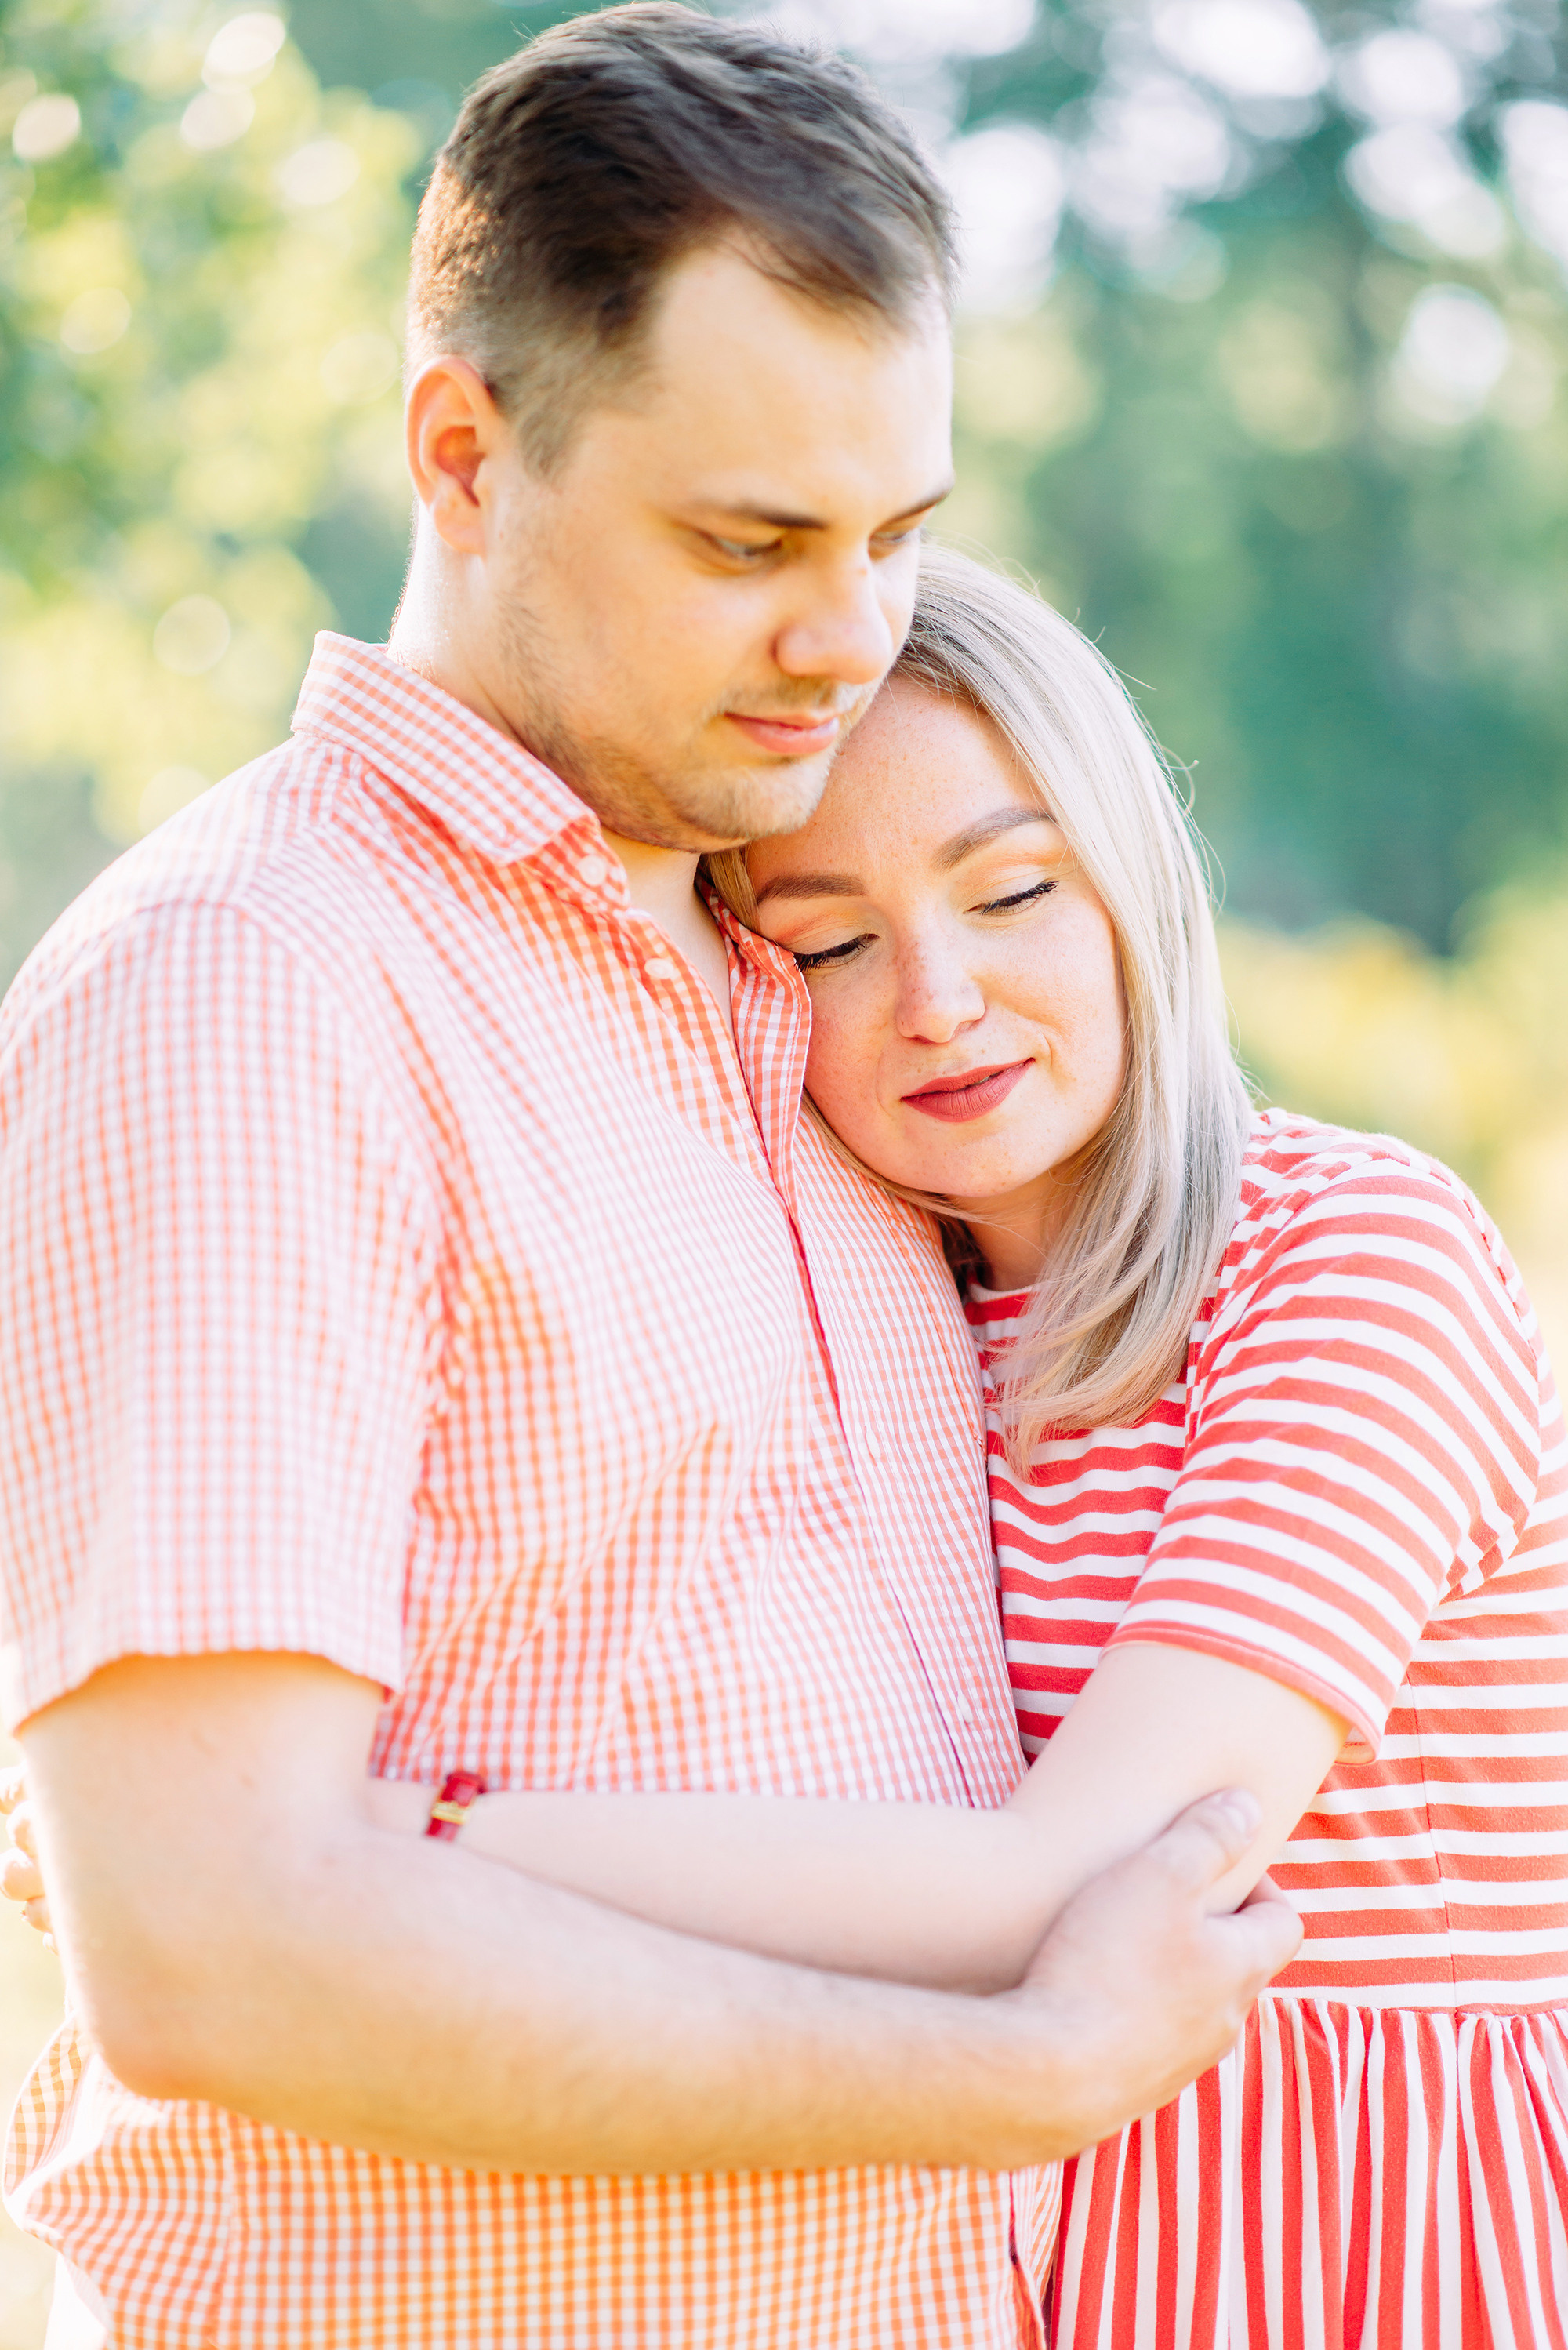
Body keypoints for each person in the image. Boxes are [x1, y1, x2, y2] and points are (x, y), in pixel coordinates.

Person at [0, 11, 1300, 2349]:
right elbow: (203, 1935)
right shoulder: (257, 986)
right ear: (464, 453)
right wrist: (1003, 2075)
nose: (848, 638)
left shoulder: (784, 976)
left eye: (897, 537)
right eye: (750, 543)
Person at [126, 542, 1552, 2348]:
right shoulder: (889, 1298)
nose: (936, 995)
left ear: (1128, 878)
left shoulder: (1348, 1257)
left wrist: (390, 1840)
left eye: (1011, 888)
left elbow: (1096, 1871)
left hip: (1366, 2230)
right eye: (830, 940)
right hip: (1025, 2242)